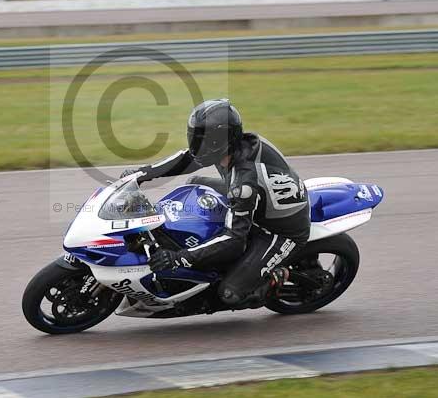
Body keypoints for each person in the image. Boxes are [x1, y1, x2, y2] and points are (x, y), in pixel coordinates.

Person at [120, 98, 311, 308]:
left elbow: (234, 240)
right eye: (195, 137)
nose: (195, 145)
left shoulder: (243, 185)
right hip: (259, 202)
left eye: (201, 140)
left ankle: (276, 277)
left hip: (280, 231)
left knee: (230, 294)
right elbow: (184, 160)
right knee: (194, 183)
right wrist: (139, 175)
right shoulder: (229, 148)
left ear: (217, 143)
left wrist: (179, 258)